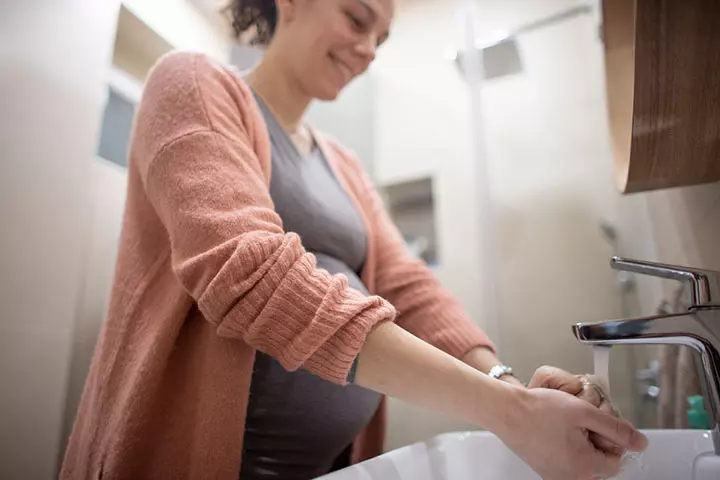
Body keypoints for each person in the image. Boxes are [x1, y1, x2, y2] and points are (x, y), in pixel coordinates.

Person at [61, 0, 647, 479]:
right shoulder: (191, 83)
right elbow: (252, 277)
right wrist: (510, 413)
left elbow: (413, 291)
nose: (368, 50)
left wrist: (508, 386)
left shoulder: (344, 164)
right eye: (356, 18)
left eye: (382, 37)